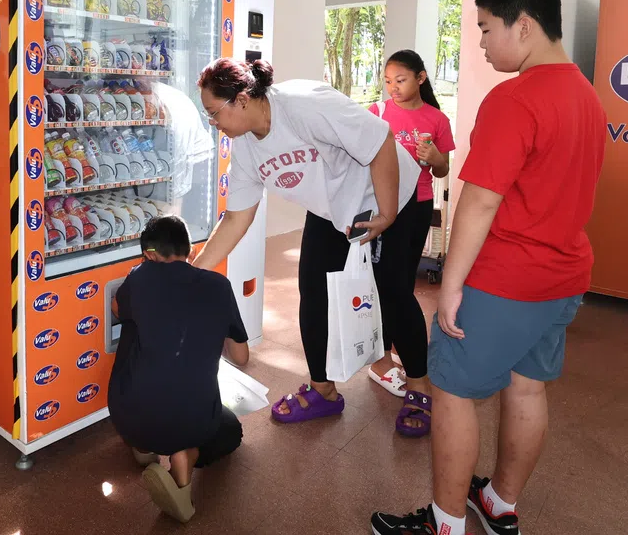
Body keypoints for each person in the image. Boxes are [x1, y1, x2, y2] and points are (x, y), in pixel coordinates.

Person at [372, 0, 607, 535]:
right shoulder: (587, 96)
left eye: (483, 28)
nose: (479, 42)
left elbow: (478, 202)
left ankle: (445, 523)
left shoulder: (515, 98)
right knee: (527, 386)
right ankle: (499, 503)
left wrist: (450, 286)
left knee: (451, 391)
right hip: (563, 277)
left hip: (504, 279)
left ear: (522, 25)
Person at [192, 59, 428, 435]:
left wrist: (385, 214)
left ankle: (419, 386)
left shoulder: (303, 104)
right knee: (313, 290)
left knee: (392, 292)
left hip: (388, 191)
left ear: (241, 99)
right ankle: (323, 390)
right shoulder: (246, 148)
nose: (212, 122)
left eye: (213, 112)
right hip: (334, 207)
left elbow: (381, 140)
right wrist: (191, 276)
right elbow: (236, 219)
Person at [108, 215, 250, 523]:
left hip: (127, 416)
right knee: (230, 430)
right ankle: (183, 467)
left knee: (133, 324)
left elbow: (116, 308)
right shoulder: (219, 286)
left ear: (149, 254)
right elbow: (241, 357)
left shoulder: (140, 276)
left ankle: (142, 445)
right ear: (192, 250)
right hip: (193, 422)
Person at [365, 50, 455, 407]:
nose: (393, 88)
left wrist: (435, 159)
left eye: (400, 80)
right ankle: (382, 360)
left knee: (401, 283)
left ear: (420, 78)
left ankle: (394, 352)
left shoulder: (437, 119)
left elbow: (443, 170)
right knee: (386, 285)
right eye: (388, 81)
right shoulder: (377, 113)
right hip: (383, 207)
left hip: (417, 207)